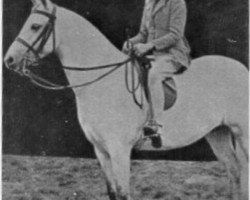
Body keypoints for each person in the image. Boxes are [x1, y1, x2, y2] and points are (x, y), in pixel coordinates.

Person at [123, 0, 191, 147]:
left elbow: (175, 35)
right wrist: (131, 43)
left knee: (155, 74)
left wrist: (149, 45)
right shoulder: (149, 2)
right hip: (150, 54)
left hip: (172, 54)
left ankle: (156, 125)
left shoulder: (176, 3)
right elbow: (143, 34)